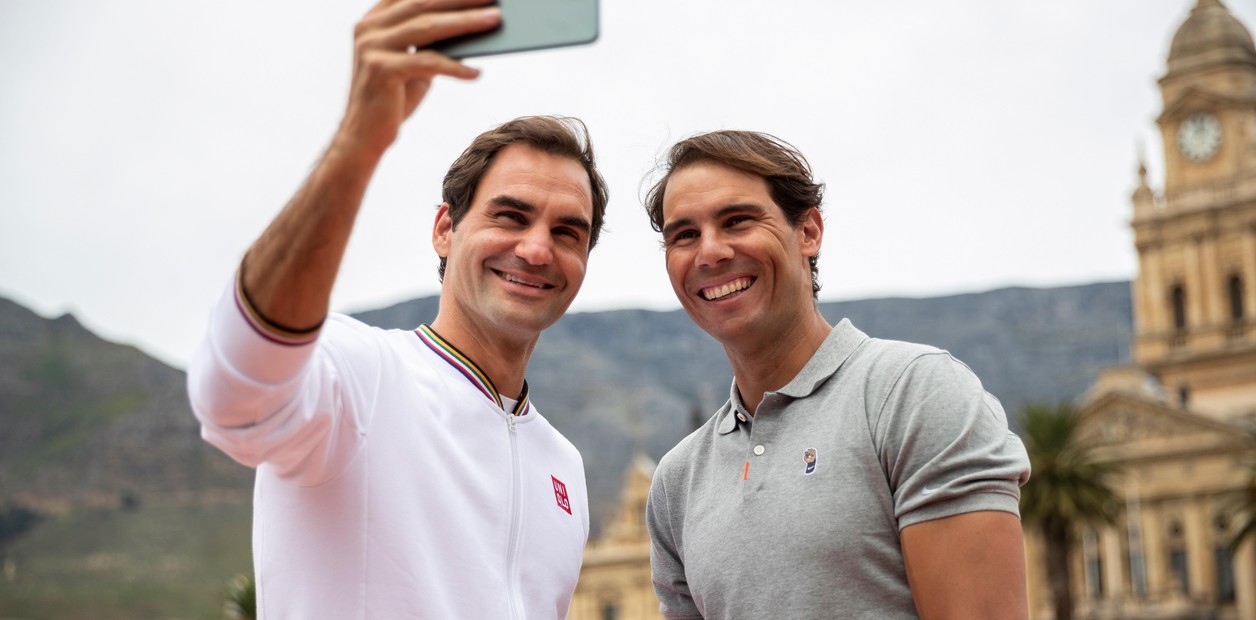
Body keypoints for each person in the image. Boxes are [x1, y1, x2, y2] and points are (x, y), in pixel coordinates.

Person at [186, 1, 609, 617]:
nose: (538, 249)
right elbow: (233, 394)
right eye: (510, 216)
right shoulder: (360, 374)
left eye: (569, 231)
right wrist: (359, 141)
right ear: (445, 229)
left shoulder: (564, 467)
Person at [642, 130, 1032, 619]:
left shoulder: (916, 395)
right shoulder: (677, 482)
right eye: (684, 235)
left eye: (737, 220)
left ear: (808, 232)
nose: (710, 252)